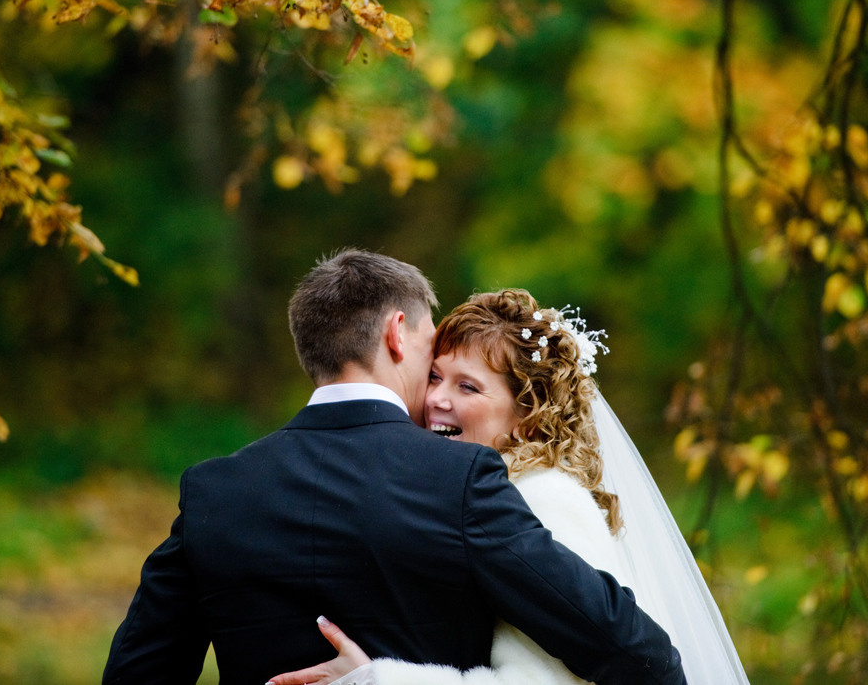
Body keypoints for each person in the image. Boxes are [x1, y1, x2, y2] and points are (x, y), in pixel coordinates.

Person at [102, 251, 687, 685]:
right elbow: (636, 652)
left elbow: (137, 674)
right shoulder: (462, 480)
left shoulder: (213, 492)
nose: (435, 386)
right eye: (434, 349)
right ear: (397, 334)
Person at [269, 289, 748, 685]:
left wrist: (378, 680)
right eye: (435, 376)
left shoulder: (545, 501)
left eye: (467, 387)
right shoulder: (473, 489)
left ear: (527, 416)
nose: (435, 398)